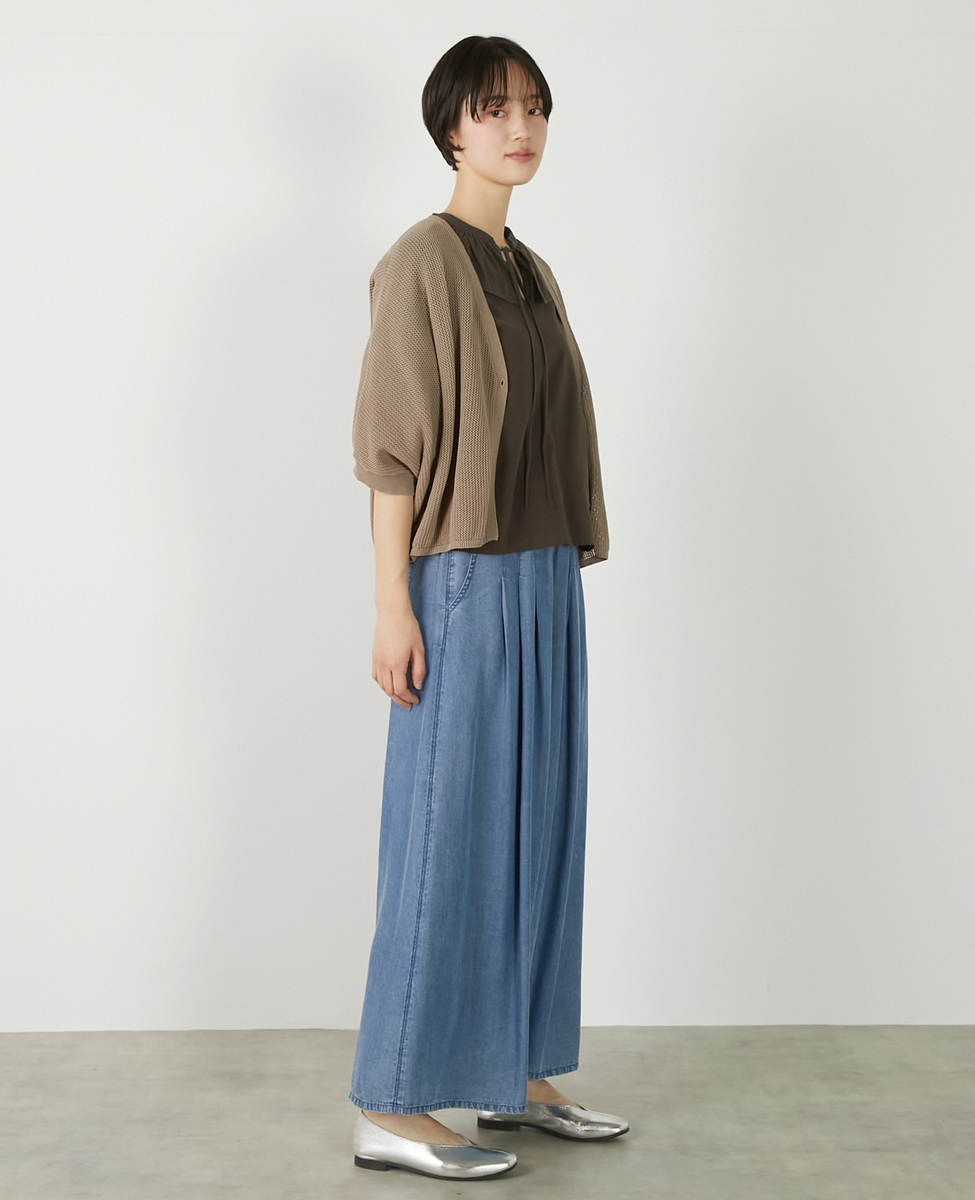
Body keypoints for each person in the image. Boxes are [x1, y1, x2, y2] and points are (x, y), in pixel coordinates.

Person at [347, 35, 626, 1182]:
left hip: (546, 575)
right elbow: (392, 452)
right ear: (450, 128)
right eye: (494, 108)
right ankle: (392, 1101)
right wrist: (393, 604)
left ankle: (517, 1072)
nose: (521, 128)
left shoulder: (532, 271)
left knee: (543, 833)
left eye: (535, 108)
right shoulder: (423, 260)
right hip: (461, 579)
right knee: (446, 835)